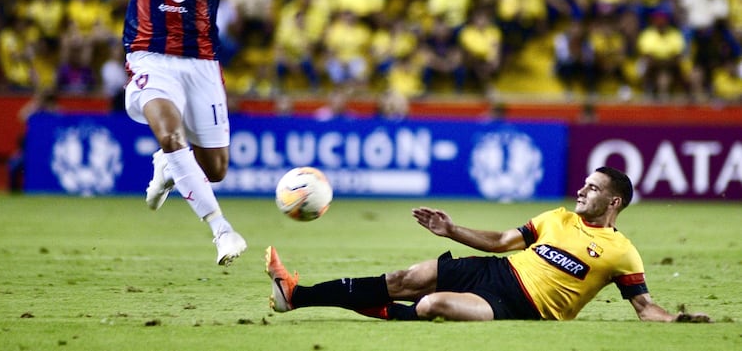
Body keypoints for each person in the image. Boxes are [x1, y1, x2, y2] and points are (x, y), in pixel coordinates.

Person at [12, 0, 311, 266]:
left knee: (216, 168)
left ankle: (167, 166)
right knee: (170, 134)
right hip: (148, 55)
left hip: (202, 62)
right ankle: (222, 230)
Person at [265, 167, 711, 323]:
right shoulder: (557, 217)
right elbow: (501, 241)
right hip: (497, 272)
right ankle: (293, 296)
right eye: (583, 184)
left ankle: (338, 303)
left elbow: (645, 308)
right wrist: (452, 230)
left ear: (613, 201)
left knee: (429, 305)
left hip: (523, 306)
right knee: (404, 279)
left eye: (591, 189)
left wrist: (679, 320)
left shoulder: (621, 251)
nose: (581, 191)